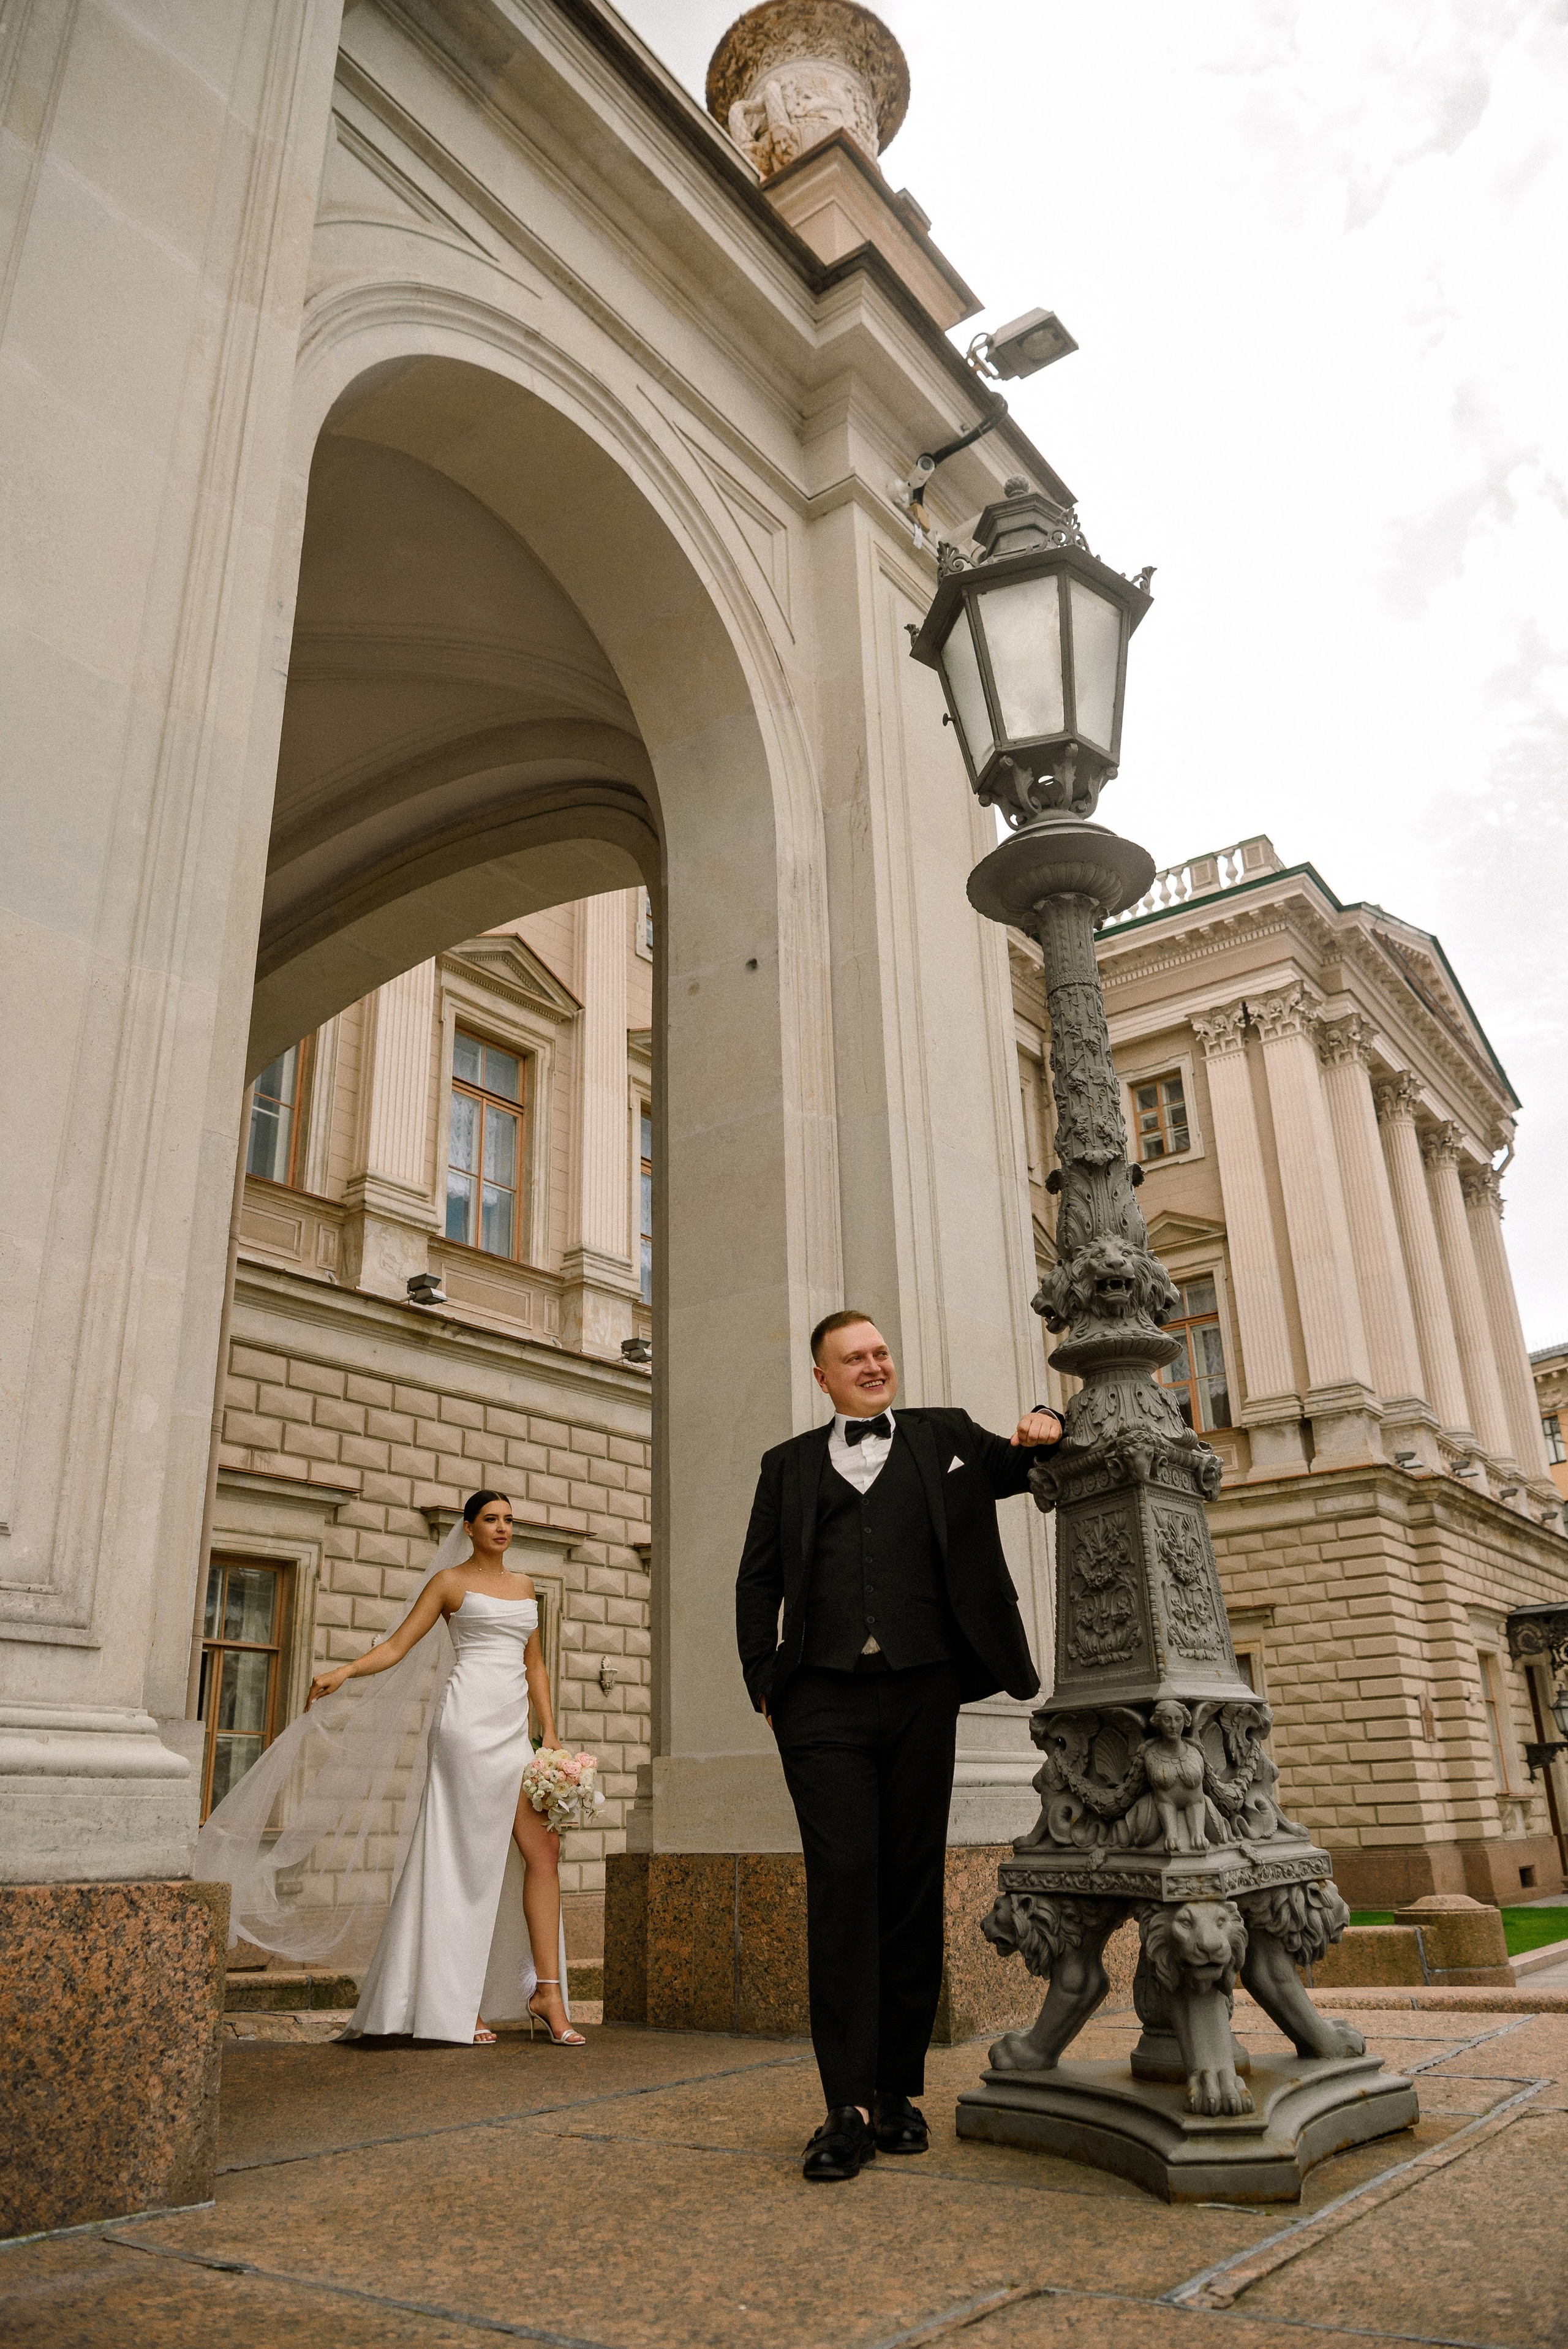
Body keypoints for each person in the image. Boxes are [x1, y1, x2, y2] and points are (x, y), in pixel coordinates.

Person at [736, 1311, 1063, 2182]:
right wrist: (764, 1677)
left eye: (880, 1351)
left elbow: (1021, 1463)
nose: (874, 1364)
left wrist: (1048, 1418)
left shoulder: (943, 1436)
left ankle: (894, 2090)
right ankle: (844, 2105)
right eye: (855, 1357)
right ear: (823, 1377)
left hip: (922, 1690)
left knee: (910, 1887)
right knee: (844, 1883)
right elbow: (757, 1578)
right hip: (820, 1699)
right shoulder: (787, 1465)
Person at [196, 1488, 582, 2048]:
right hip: (464, 1731)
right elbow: (398, 1645)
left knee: (544, 1854)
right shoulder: (449, 1583)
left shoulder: (525, 1587)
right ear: (468, 1528)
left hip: (514, 1736)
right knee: (464, 1860)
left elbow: (535, 1663)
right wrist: (347, 1671)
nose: (502, 1528)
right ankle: (456, 2000)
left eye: (508, 1520)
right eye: (490, 1519)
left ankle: (548, 1993)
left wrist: (551, 1733)